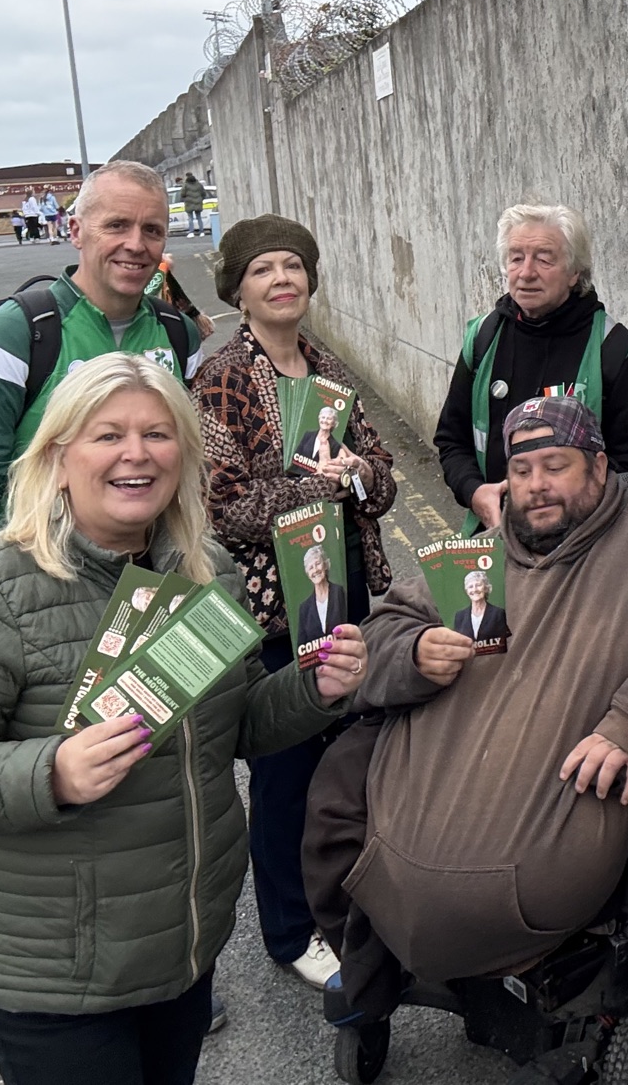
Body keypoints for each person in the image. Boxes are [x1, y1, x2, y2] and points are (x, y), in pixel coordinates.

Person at [0, 353, 365, 1085]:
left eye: (157, 434)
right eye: (108, 435)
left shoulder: (206, 571)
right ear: (57, 457)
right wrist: (52, 773)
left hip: (182, 942)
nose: (136, 453)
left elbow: (237, 727)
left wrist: (314, 688)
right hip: (55, 970)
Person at [303, 396, 628, 1030]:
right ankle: (381, 961)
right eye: (521, 471)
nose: (535, 486)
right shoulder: (486, 554)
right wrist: (414, 653)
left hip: (541, 844)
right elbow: (387, 624)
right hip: (449, 785)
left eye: (556, 466)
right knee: (341, 781)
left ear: (600, 467)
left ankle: (405, 958)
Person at [192, 213, 398, 991]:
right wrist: (317, 485)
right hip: (267, 604)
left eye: (293, 266)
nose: (282, 279)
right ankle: (288, 928)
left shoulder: (330, 368)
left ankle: (344, 896)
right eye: (263, 269)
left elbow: (381, 475)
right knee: (282, 772)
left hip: (341, 587)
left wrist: (359, 475)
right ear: (238, 291)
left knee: (345, 753)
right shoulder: (221, 379)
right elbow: (222, 507)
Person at [0, 160, 203, 555]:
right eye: (117, 225)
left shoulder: (179, 334)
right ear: (76, 231)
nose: (136, 244)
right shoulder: (11, 335)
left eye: (152, 230)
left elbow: (185, 465)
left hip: (152, 571)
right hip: (41, 570)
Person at [434, 204, 628, 531]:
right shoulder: (483, 337)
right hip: (496, 535)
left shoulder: (612, 350)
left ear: (575, 272)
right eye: (516, 258)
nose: (526, 273)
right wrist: (474, 491)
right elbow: (452, 439)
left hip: (586, 543)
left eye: (544, 259)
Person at [295, 548, 345, 646]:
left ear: (325, 565)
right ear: (308, 574)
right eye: (311, 568)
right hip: (319, 656)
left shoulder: (339, 592)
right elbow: (301, 648)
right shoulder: (304, 608)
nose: (315, 570)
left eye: (318, 564)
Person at [448, 570, 508, 643]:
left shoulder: (498, 613)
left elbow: (504, 643)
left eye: (478, 585)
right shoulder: (460, 616)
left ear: (485, 588)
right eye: (470, 586)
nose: (474, 589)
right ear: (467, 591)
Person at [294, 403, 342, 468]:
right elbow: (296, 456)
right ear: (319, 419)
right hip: (298, 472)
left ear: (333, 423)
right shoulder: (308, 435)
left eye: (329, 419)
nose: (325, 420)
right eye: (323, 417)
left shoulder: (335, 445)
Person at [181, 173, 207, 237]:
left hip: (189, 203)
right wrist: (200, 199)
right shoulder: (199, 185)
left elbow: (182, 194)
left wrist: (185, 199)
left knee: (190, 218)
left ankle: (191, 232)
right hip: (198, 203)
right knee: (199, 217)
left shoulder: (186, 185)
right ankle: (202, 232)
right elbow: (203, 193)